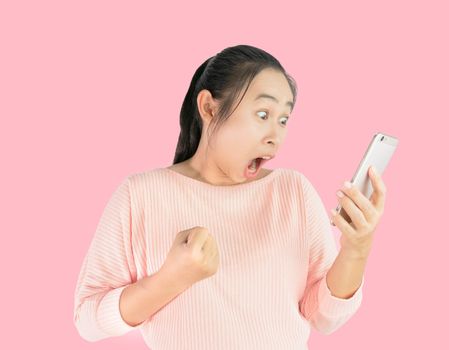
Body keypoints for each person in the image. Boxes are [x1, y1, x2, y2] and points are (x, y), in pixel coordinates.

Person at [73, 44, 372, 349]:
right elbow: (87, 318)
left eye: (283, 119)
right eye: (263, 114)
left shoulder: (292, 191)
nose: (275, 135)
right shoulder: (141, 195)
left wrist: (356, 249)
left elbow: (323, 317)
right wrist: (171, 279)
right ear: (209, 108)